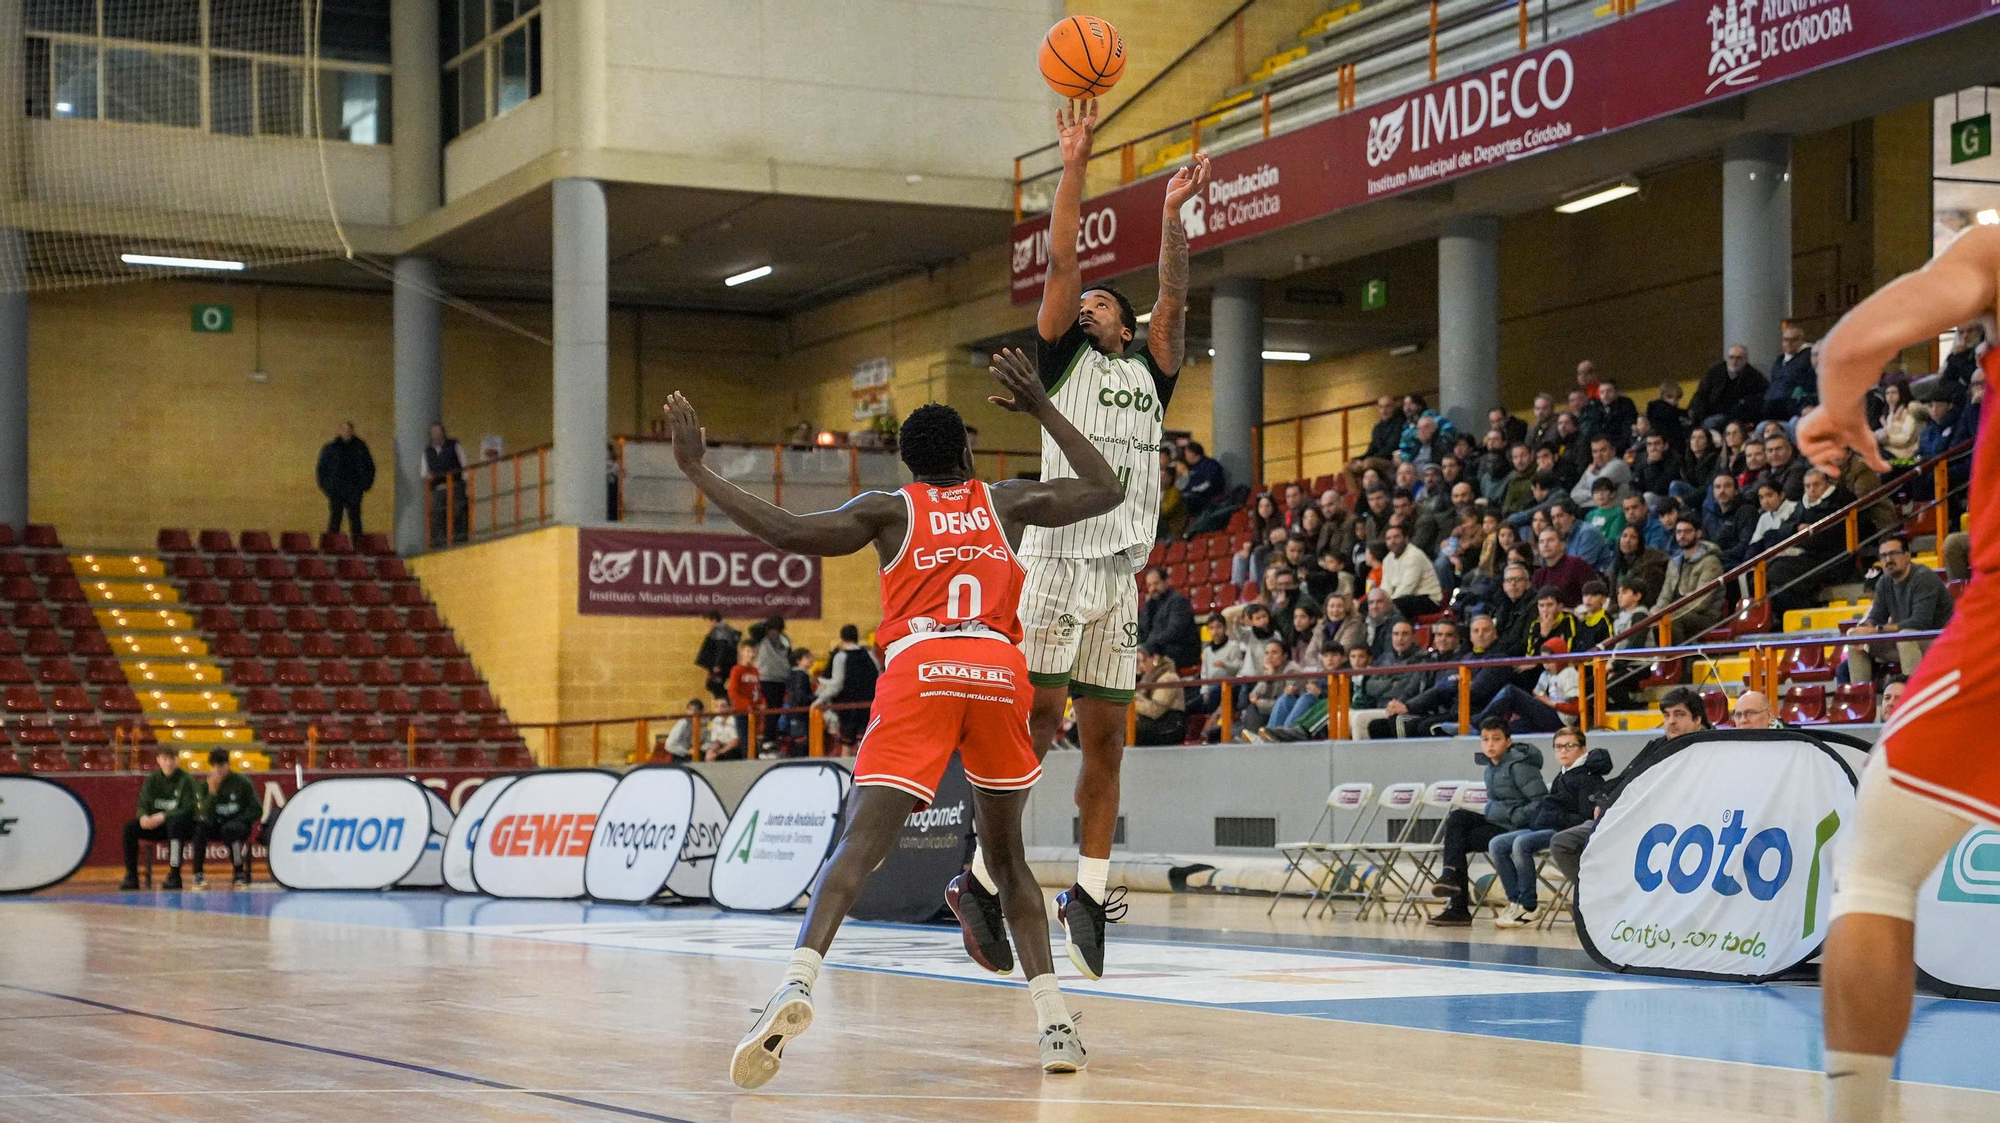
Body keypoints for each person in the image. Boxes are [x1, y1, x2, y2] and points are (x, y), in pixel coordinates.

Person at [668, 346, 1123, 1086]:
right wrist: (1040, 403)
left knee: (862, 844)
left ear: (910, 466)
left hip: (923, 668)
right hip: (998, 670)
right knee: (1005, 860)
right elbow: (1106, 488)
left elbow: (784, 530)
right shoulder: (1003, 501)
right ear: (969, 452)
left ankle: (796, 982)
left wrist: (696, 469)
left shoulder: (888, 510)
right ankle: (1056, 1026)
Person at [959, 104, 1210, 987]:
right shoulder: (1060, 361)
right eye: (1088, 300)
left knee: (1107, 744)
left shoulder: (1150, 366)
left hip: (1122, 573)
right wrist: (1076, 164)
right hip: (1058, 560)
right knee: (1036, 725)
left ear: (1128, 323)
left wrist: (1173, 217)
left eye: (1107, 299)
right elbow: (1064, 256)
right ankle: (985, 870)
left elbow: (1174, 292)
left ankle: (1088, 894)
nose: (1092, 300)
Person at [1545, 687, 1707, 895]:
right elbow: (1625, 779)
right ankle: (1595, 896)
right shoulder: (1657, 746)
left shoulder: (1707, 751)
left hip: (1667, 826)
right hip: (1625, 818)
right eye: (1666, 715)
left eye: (1679, 714)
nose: (1671, 721)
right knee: (1562, 842)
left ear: (1697, 719)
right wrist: (1604, 803)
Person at [1426, 718, 1548, 927]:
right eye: (1485, 739)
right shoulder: (1490, 767)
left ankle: (1458, 907)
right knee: (1457, 818)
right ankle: (1449, 878)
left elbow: (1541, 802)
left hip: (1515, 827)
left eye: (1496, 739)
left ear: (1508, 741)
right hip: (1497, 822)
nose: (1490, 745)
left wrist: (1514, 816)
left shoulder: (1520, 767)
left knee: (1458, 841)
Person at [1489, 726, 1609, 928]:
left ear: (1582, 749)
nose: (1563, 751)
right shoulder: (1563, 774)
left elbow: (1586, 818)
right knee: (1497, 844)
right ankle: (1515, 900)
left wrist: (1554, 817)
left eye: (1569, 746)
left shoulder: (1588, 777)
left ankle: (1529, 906)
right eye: (1558, 747)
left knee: (1521, 843)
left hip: (1564, 832)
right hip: (1546, 826)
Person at [1846, 536, 1954, 681]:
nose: (1888, 559)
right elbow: (1877, 615)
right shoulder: (1884, 581)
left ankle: (1912, 696)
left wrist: (1876, 629)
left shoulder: (1923, 577)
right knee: (1853, 635)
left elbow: (1920, 622)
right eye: (1883, 555)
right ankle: (1861, 696)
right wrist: (1863, 629)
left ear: (1907, 555)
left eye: (1894, 553)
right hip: (1904, 641)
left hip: (1939, 640)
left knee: (1906, 636)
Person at [121, 746, 197, 890]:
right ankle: (131, 875)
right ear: (159, 760)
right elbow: (143, 803)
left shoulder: (186, 780)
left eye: (172, 759)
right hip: (156, 826)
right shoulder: (152, 780)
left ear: (177, 760)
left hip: (180, 827)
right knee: (130, 828)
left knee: (175, 826)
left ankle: (175, 874)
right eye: (165, 759)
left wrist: (164, 816)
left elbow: (188, 808)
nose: (168, 763)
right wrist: (143, 817)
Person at [1476, 637, 1578, 735]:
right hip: (1548, 712)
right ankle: (1480, 728)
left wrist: (1549, 702)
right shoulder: (1549, 674)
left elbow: (1576, 708)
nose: (1546, 665)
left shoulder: (1569, 674)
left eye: (1549, 661)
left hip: (1560, 721)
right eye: (1543, 661)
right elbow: (1538, 693)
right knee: (1506, 728)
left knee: (1511, 692)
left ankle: (1477, 722)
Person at [190, 748, 259, 888]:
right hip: (216, 824)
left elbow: (256, 809)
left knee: (230, 830)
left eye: (221, 765)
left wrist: (240, 819)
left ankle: (239, 872)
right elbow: (202, 813)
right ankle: (198, 874)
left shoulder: (242, 782)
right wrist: (212, 793)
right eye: (215, 766)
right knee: (199, 829)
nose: (218, 769)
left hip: (238, 825)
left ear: (228, 764)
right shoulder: (204, 785)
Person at [1652, 519, 1725, 640]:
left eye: (1687, 531)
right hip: (1677, 612)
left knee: (1671, 620)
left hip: (1706, 617)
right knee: (1645, 619)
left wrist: (1669, 613)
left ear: (1698, 533)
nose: (1682, 536)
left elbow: (1702, 603)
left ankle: (1685, 658)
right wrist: (1655, 612)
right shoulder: (1674, 562)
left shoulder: (1710, 561)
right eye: (1679, 532)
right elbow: (1665, 595)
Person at [814, 625, 880, 750]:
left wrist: (820, 700)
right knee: (864, 743)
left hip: (848, 707)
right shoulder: (869, 654)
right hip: (868, 705)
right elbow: (879, 676)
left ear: (842, 638)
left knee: (846, 744)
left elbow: (837, 684)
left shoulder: (841, 656)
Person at [1688, 343, 1768, 431]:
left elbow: (1761, 397)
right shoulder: (1714, 372)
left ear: (1745, 360)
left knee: (1712, 423)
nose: (1734, 361)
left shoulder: (1754, 377)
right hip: (1709, 413)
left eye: (1738, 358)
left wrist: (1742, 404)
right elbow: (1701, 394)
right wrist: (1696, 414)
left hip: (1736, 416)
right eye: (1731, 357)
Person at [315, 421, 375, 537]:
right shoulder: (330, 448)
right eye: (344, 429)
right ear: (339, 431)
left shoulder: (361, 448)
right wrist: (326, 486)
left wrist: (365, 485)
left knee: (355, 520)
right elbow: (321, 469)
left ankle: (358, 548)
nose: (346, 432)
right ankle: (332, 546)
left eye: (349, 430)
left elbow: (370, 467)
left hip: (354, 489)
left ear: (353, 432)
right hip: (335, 489)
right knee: (335, 519)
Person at [1138, 566, 1199, 670]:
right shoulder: (1149, 605)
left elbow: (1174, 632)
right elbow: (1141, 631)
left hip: (1179, 651)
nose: (1153, 588)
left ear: (1166, 582)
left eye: (1156, 583)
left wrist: (1148, 647)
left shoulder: (1178, 602)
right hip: (1155, 649)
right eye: (1149, 585)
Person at [1377, 525, 1441, 619]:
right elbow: (1385, 586)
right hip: (1402, 598)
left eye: (1396, 537)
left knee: (1397, 605)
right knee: (1368, 605)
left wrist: (1386, 604)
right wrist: (1380, 600)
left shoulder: (1414, 555)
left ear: (1406, 538)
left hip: (1427, 599)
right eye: (1388, 538)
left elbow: (1407, 587)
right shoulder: (1387, 559)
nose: (1392, 541)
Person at [1131, 644, 1188, 745]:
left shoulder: (1168, 678)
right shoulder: (1148, 678)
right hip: (1154, 723)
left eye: (1144, 661)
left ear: (1155, 658)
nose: (1141, 666)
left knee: (1125, 730)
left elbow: (1156, 710)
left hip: (1169, 726)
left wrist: (1132, 702)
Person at [424, 423, 467, 546]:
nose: (436, 435)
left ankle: (459, 540)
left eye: (438, 432)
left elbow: (464, 464)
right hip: (438, 488)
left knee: (457, 512)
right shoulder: (427, 451)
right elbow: (424, 472)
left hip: (456, 485)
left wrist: (465, 483)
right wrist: (429, 477)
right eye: (434, 433)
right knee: (437, 515)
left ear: (443, 433)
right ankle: (439, 543)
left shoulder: (455, 445)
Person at [1530, 528, 1597, 608]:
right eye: (1541, 542)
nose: (1545, 545)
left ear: (1562, 545)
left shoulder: (1576, 564)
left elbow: (1594, 595)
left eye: (1550, 540)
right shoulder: (1539, 575)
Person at [1764, 322, 1816, 421]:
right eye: (1786, 340)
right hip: (1772, 405)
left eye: (1794, 340)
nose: (1789, 343)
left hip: (1792, 406)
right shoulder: (1779, 360)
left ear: (1801, 341)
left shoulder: (1807, 358)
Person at [694, 612, 741, 701]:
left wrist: (717, 664)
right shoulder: (727, 630)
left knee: (712, 685)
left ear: (714, 620)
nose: (708, 625)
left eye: (708, 622)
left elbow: (721, 648)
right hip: (726, 665)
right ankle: (724, 700)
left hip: (721, 666)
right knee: (714, 685)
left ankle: (726, 700)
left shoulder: (720, 631)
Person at [725, 642, 761, 759]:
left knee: (755, 739)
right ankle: (749, 760)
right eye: (748, 651)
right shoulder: (737, 670)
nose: (752, 654)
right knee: (746, 739)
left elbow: (758, 690)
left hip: (755, 711)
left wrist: (761, 703)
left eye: (753, 651)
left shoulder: (755, 671)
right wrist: (746, 705)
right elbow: (733, 692)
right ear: (742, 652)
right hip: (742, 711)